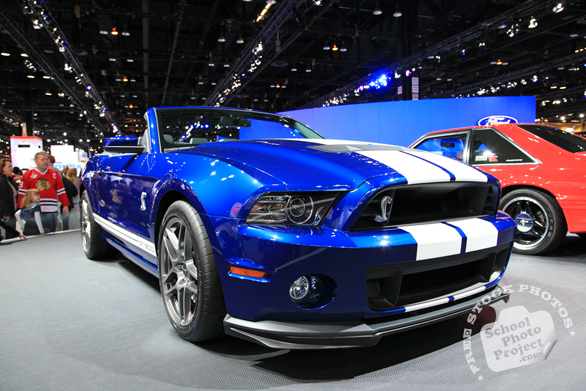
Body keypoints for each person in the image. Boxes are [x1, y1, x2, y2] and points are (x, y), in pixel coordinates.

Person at [17, 152, 70, 233]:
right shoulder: (28, 174)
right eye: (42, 159)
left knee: (51, 233)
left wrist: (65, 205)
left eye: (46, 159)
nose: (45, 161)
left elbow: (61, 191)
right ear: (36, 161)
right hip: (33, 212)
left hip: (51, 210)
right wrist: (21, 208)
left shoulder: (55, 174)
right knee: (34, 234)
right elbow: (22, 193)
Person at [0, 158, 19, 239]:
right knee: (9, 236)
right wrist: (6, 213)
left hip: (12, 212)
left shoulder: (9, 180)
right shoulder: (1, 180)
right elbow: (2, 198)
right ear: (2, 168)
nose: (12, 168)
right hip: (6, 214)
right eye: (9, 166)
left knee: (11, 235)